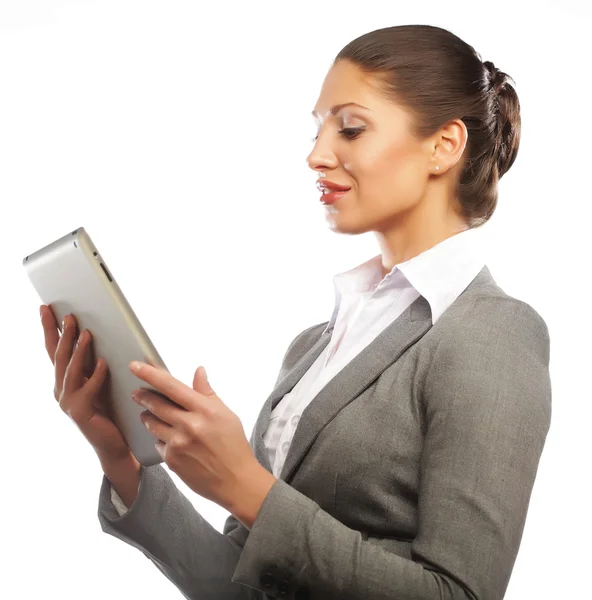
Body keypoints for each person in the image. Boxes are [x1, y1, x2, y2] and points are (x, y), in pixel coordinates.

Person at [39, 24, 551, 600]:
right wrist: (119, 455)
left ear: (445, 145)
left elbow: (461, 594)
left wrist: (248, 488)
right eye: (318, 129)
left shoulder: (491, 332)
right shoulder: (314, 346)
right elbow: (239, 588)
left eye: (350, 128)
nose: (316, 154)